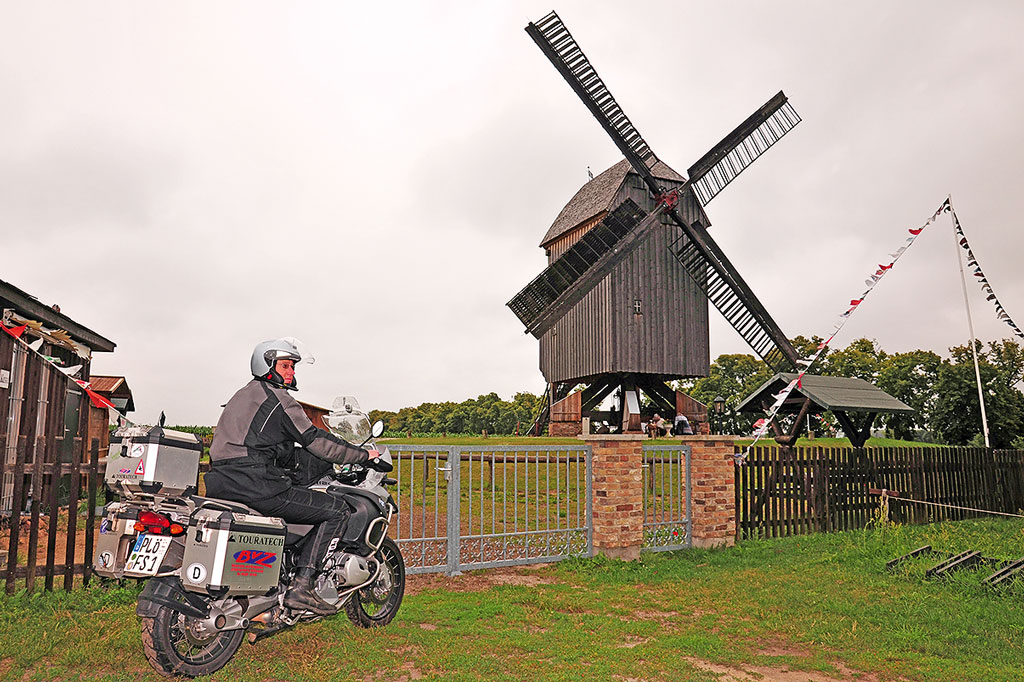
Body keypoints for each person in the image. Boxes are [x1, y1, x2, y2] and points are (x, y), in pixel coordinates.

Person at [205, 338, 381, 616]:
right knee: (336, 510)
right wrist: (362, 455)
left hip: (220, 483)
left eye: (293, 367)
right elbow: (316, 440)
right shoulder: (277, 398)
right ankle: (303, 586)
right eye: (285, 365)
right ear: (266, 365)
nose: (291, 372)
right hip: (257, 485)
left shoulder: (241, 397)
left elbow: (273, 448)